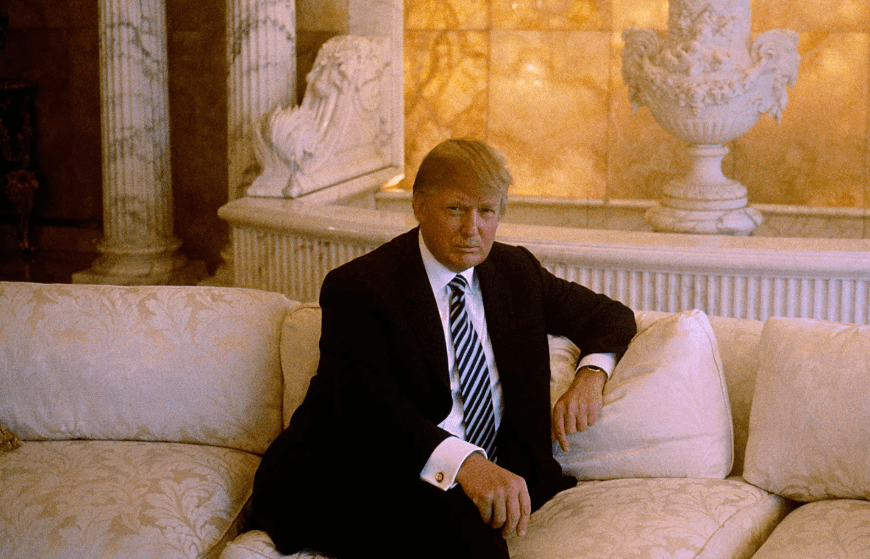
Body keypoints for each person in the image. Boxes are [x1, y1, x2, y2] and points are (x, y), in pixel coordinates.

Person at [250, 138, 637, 559]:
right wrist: (467, 464)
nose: (472, 229)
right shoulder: (360, 288)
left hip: (481, 480)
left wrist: (591, 376)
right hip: (363, 471)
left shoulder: (516, 272)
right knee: (471, 542)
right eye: (455, 209)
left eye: (486, 211)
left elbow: (611, 316)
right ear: (419, 206)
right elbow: (372, 409)